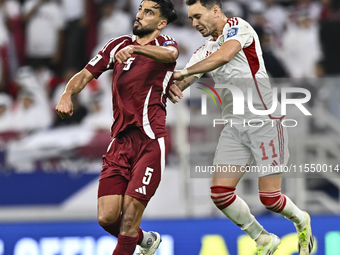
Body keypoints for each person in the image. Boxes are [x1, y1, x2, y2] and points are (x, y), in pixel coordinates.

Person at [169, 1, 314, 254]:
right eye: (190, 18)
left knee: (270, 199)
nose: (194, 24)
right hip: (234, 128)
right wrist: (161, 89)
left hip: (265, 122)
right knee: (220, 194)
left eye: (197, 16)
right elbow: (185, 80)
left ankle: (302, 220)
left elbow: (224, 56)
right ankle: (262, 238)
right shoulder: (204, 49)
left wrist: (182, 74)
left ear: (215, 10)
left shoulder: (239, 27)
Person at [55, 1, 178, 254]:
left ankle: (135, 238)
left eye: (148, 12)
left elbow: (171, 56)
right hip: (120, 142)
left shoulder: (165, 44)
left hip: (150, 141)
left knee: (130, 219)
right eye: (140, 9)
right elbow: (85, 73)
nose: (140, 15)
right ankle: (146, 240)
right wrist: (67, 93)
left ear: (161, 23)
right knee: (107, 218)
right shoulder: (116, 45)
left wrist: (137, 50)